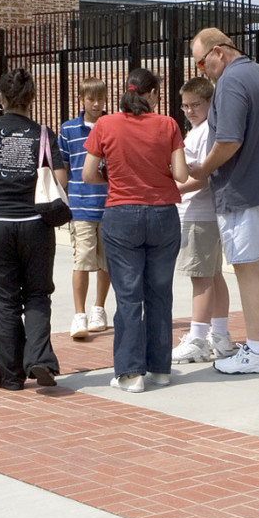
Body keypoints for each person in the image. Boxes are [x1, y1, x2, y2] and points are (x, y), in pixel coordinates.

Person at [187, 28, 259, 375]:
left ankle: (255, 350)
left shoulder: (231, 82)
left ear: (218, 52)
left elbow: (228, 141)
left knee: (246, 265)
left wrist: (203, 169)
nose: (201, 71)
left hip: (246, 189)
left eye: (200, 62)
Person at [82, 67, 188, 392]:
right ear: (153, 93)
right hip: (162, 215)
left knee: (128, 296)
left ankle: (130, 373)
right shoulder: (168, 124)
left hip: (121, 213)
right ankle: (160, 369)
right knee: (159, 293)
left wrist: (114, 179)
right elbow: (181, 175)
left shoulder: (105, 124)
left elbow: (88, 175)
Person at [0, 68, 65, 391]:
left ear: (1, 98)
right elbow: (60, 181)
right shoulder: (44, 135)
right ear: (31, 99)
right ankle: (39, 358)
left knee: (4, 301)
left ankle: (9, 376)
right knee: (36, 294)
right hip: (34, 224)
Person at [171, 75, 236, 364]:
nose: (188, 111)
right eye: (184, 106)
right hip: (201, 214)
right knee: (212, 275)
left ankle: (198, 338)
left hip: (198, 214)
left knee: (201, 277)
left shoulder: (207, 130)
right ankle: (219, 336)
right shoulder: (198, 129)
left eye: (195, 104)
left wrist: (173, 189)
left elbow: (204, 177)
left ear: (210, 101)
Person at [58, 79, 111, 340]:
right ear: (81, 99)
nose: (96, 103)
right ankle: (79, 313)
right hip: (80, 204)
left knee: (107, 262)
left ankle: (99, 308)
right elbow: (63, 166)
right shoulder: (68, 130)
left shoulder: (112, 126)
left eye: (100, 97)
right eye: (91, 98)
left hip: (109, 203)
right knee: (82, 260)